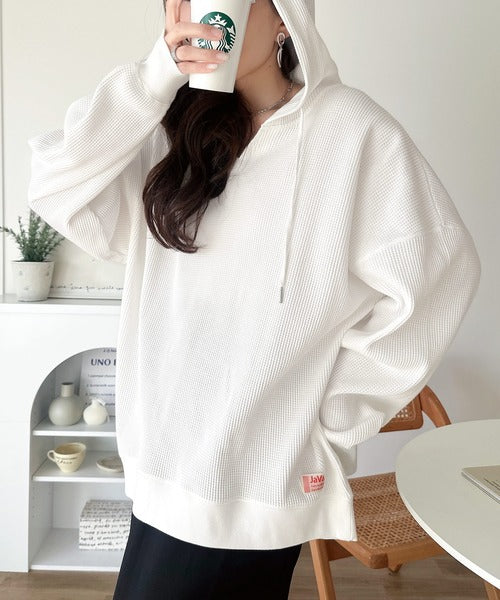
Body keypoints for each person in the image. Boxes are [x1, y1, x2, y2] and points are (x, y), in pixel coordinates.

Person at [27, 0, 481, 597]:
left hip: (260, 479)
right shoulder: (168, 130)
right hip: (162, 475)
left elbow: (440, 273)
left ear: (284, 17)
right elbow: (55, 184)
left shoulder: (350, 131)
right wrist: (155, 77)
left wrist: (331, 419)